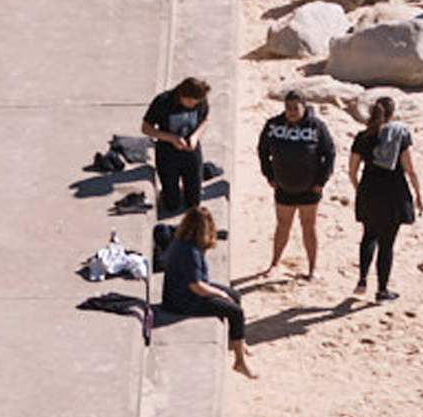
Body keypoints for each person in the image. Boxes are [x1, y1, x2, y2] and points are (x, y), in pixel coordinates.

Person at [161, 207, 255, 377]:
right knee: (235, 311)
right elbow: (196, 286)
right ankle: (240, 361)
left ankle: (238, 342)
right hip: (183, 301)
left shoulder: (181, 241)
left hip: (180, 291)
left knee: (235, 295)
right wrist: (219, 294)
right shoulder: (190, 252)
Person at [349, 95, 422, 304]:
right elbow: (410, 169)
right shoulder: (400, 136)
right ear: (392, 114)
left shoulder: (362, 136)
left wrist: (359, 189)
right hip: (393, 194)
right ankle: (382, 290)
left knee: (368, 236)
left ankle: (362, 280)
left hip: (369, 191)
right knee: (387, 243)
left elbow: (352, 170)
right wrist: (418, 195)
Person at [256, 88, 335, 279]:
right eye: (288, 107)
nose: (291, 111)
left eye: (295, 108)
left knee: (308, 227)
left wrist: (321, 181)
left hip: (310, 187)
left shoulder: (316, 126)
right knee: (283, 225)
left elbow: (329, 154)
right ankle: (274, 263)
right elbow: (262, 150)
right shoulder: (273, 125)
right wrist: (269, 175)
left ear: (304, 107)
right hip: (284, 186)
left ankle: (312, 269)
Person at [141, 75, 210, 218]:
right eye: (190, 102)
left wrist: (195, 137)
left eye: (196, 102)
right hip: (167, 154)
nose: (193, 105)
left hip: (191, 152)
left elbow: (205, 120)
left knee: (193, 203)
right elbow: (146, 128)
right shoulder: (163, 102)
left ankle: (186, 189)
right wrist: (171, 138)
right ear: (182, 95)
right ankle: (170, 192)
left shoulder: (200, 101)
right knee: (172, 205)